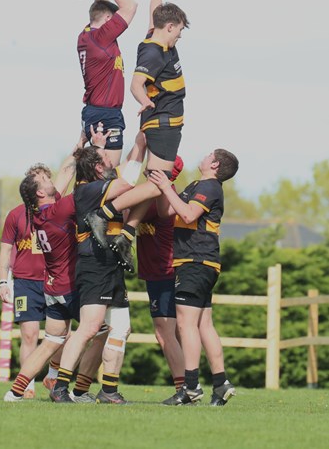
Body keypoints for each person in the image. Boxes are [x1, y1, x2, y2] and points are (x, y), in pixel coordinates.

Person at [84, 0, 190, 269]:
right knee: (159, 183)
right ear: (170, 27)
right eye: (178, 31)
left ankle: (126, 234)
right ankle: (103, 213)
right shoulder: (155, 53)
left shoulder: (155, 38)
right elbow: (135, 84)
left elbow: (155, 13)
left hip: (160, 123)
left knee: (156, 182)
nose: (179, 36)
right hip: (163, 124)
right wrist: (144, 100)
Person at [4, 129, 108, 403]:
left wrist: (80, 144)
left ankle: (15, 391)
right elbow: (85, 188)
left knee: (51, 341)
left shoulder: (42, 212)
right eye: (45, 180)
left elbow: (65, 172)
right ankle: (77, 389)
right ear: (40, 192)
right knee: (99, 331)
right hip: (69, 285)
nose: (51, 179)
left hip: (52, 286)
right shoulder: (59, 210)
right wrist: (97, 152)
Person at [49, 130, 146, 404]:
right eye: (106, 158)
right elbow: (128, 181)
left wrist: (110, 146)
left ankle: (109, 390)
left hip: (111, 263)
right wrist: (141, 145)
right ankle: (59, 387)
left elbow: (126, 173)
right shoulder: (88, 190)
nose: (112, 161)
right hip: (95, 264)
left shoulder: (100, 183)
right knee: (89, 328)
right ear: (96, 168)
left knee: (121, 328)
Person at [148, 149, 239, 406]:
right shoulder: (197, 185)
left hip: (195, 262)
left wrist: (166, 187)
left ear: (215, 164)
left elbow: (188, 214)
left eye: (209, 154)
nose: (204, 155)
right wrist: (163, 186)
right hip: (200, 263)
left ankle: (190, 386)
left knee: (185, 325)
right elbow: (167, 212)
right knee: (203, 325)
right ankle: (221, 384)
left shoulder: (209, 187)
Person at [0, 182, 58, 399]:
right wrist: (3, 282)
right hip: (24, 282)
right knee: (29, 334)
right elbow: (5, 251)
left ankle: (52, 376)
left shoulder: (57, 210)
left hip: (54, 280)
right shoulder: (15, 215)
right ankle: (27, 385)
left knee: (63, 334)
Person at [78, 0, 138, 167]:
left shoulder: (87, 35)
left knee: (97, 174)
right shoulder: (102, 38)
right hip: (105, 115)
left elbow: (100, 6)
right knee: (107, 176)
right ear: (108, 21)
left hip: (95, 112)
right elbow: (130, 5)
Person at [136, 156, 185, 394]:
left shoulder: (159, 198)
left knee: (163, 332)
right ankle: (190, 384)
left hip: (164, 273)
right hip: (158, 273)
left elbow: (123, 210)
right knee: (175, 332)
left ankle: (183, 388)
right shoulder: (161, 195)